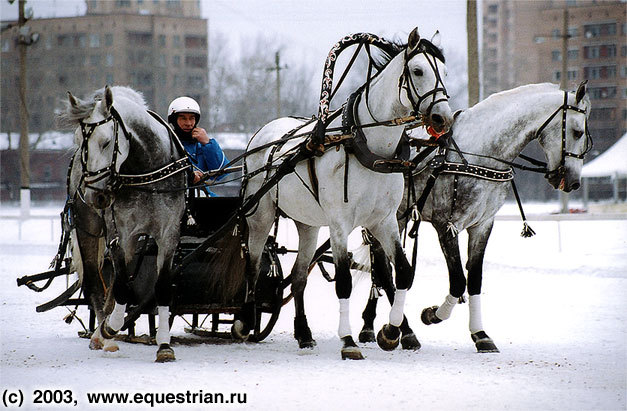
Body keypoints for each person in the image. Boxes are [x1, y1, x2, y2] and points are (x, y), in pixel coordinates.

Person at [167, 96, 227, 196]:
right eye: (183, 118)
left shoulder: (202, 145)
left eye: (192, 118)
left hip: (202, 195)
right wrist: (189, 176)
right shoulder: (167, 143)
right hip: (174, 198)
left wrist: (208, 143)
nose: (188, 123)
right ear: (174, 120)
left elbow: (220, 172)